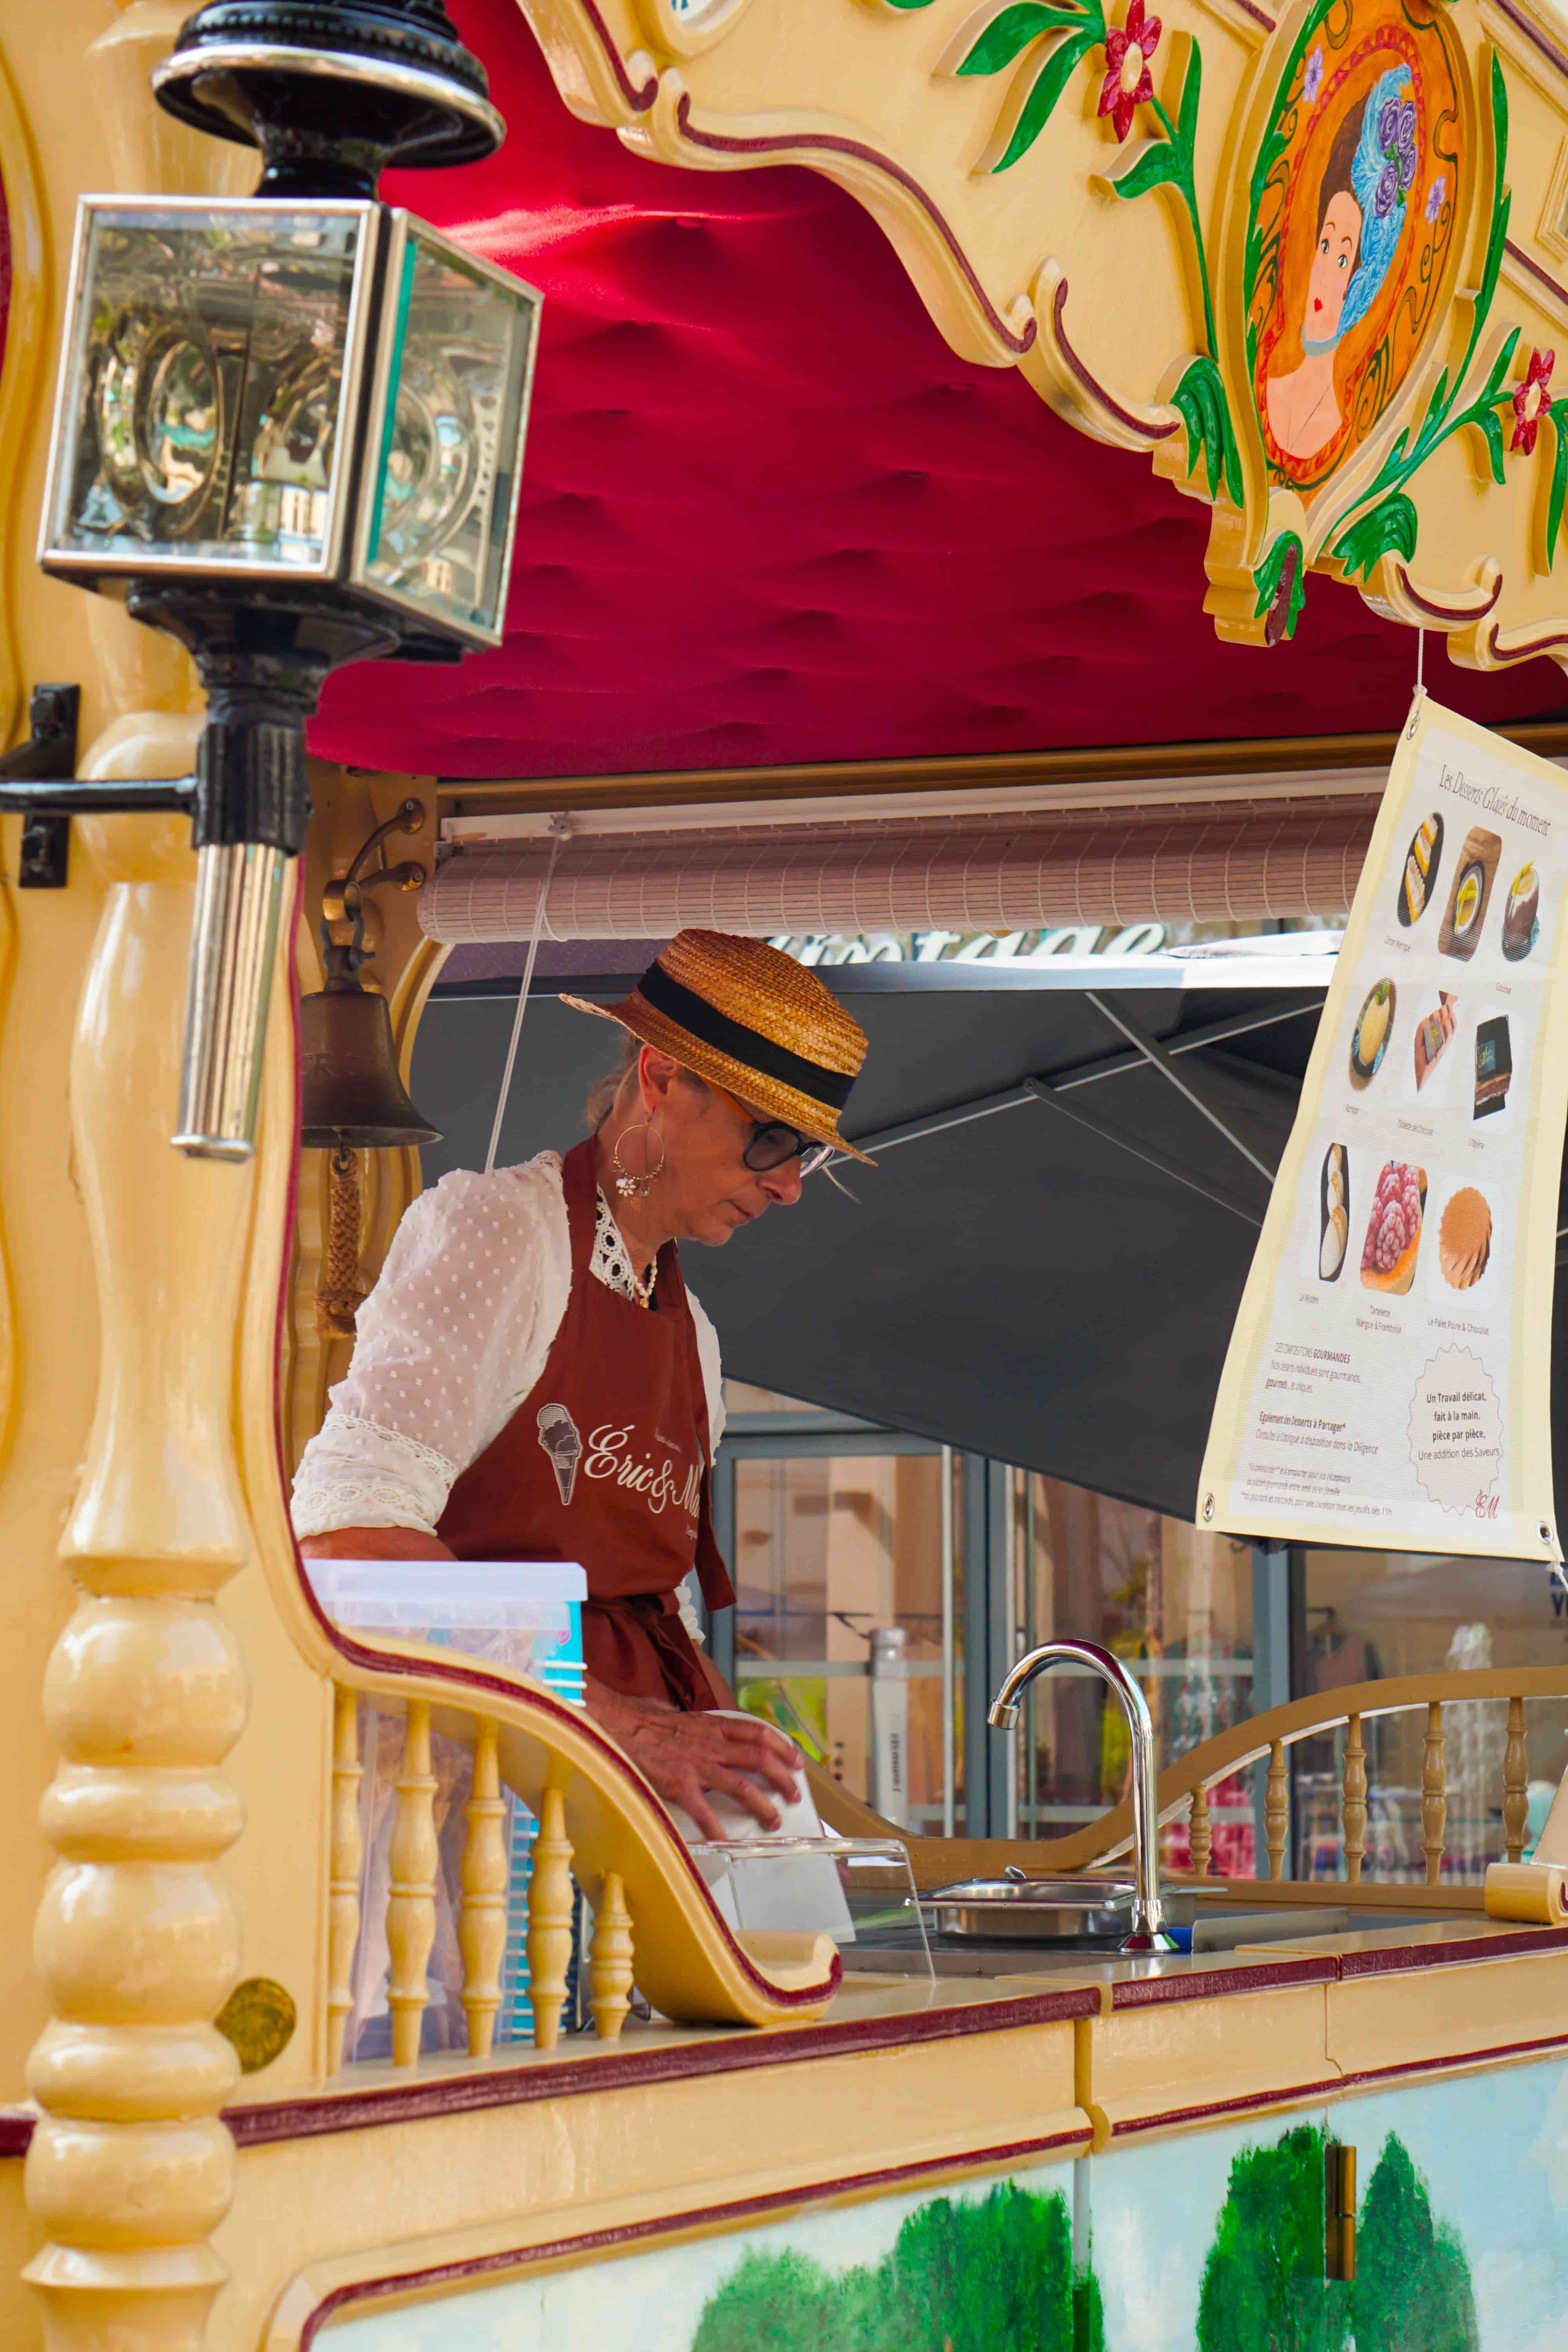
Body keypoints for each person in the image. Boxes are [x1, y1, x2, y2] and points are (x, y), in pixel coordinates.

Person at [292, 928, 872, 1841]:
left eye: (810, 1152)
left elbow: (655, 1618)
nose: (791, 1186)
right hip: (470, 1816)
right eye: (771, 1138)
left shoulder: (697, 1341)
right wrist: (604, 1719)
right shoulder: (498, 1234)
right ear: (660, 1080)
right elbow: (347, 1543)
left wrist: (761, 1804)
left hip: (617, 1834)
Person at [1265, 67, 1418, 463]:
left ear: (1365, 283)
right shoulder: (1269, 385)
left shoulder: (1336, 427)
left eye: (1344, 257)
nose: (1324, 271)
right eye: (1325, 243)